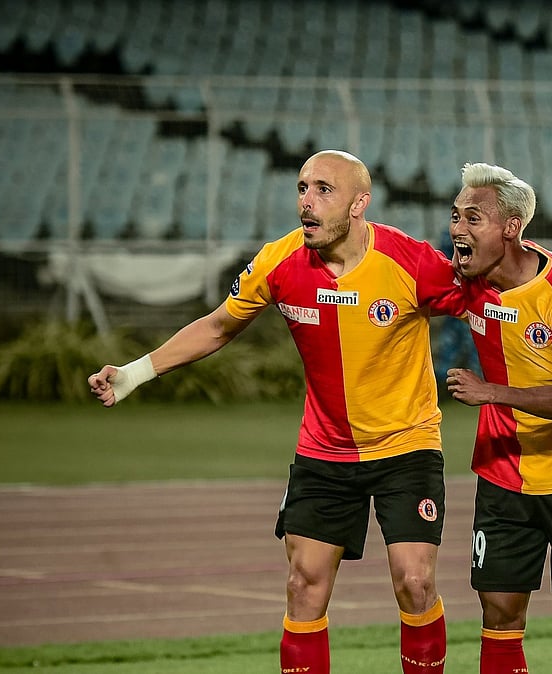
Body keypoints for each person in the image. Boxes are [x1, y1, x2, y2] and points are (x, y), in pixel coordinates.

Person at [87, 150, 462, 674]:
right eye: (302, 187)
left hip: (406, 445)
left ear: (359, 203)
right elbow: (218, 326)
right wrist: (133, 374)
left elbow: (485, 301)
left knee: (415, 581)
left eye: (323, 190)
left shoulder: (410, 261)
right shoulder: (279, 261)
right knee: (303, 584)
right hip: (324, 449)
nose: (306, 201)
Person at [443, 161, 552, 673]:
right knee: (499, 610)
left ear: (511, 228)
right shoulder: (465, 279)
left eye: (474, 218)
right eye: (455, 216)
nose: (458, 230)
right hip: (502, 475)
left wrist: (488, 391)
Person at [433, 223, 482, 387]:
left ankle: (481, 380)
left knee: (475, 340)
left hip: (476, 297)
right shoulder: (451, 236)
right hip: (457, 295)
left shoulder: (483, 236)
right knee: (453, 339)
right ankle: (444, 380)